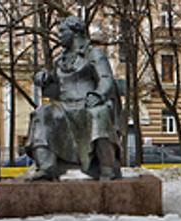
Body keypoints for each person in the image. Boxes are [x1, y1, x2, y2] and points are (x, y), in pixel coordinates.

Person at [25, 16, 122, 181]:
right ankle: (47, 167)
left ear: (75, 32)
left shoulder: (94, 54)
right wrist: (43, 77)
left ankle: (107, 167)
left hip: (87, 103)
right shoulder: (60, 61)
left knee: (98, 114)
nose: (60, 35)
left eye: (63, 31)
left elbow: (106, 78)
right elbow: (53, 80)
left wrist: (98, 94)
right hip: (64, 106)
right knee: (41, 113)